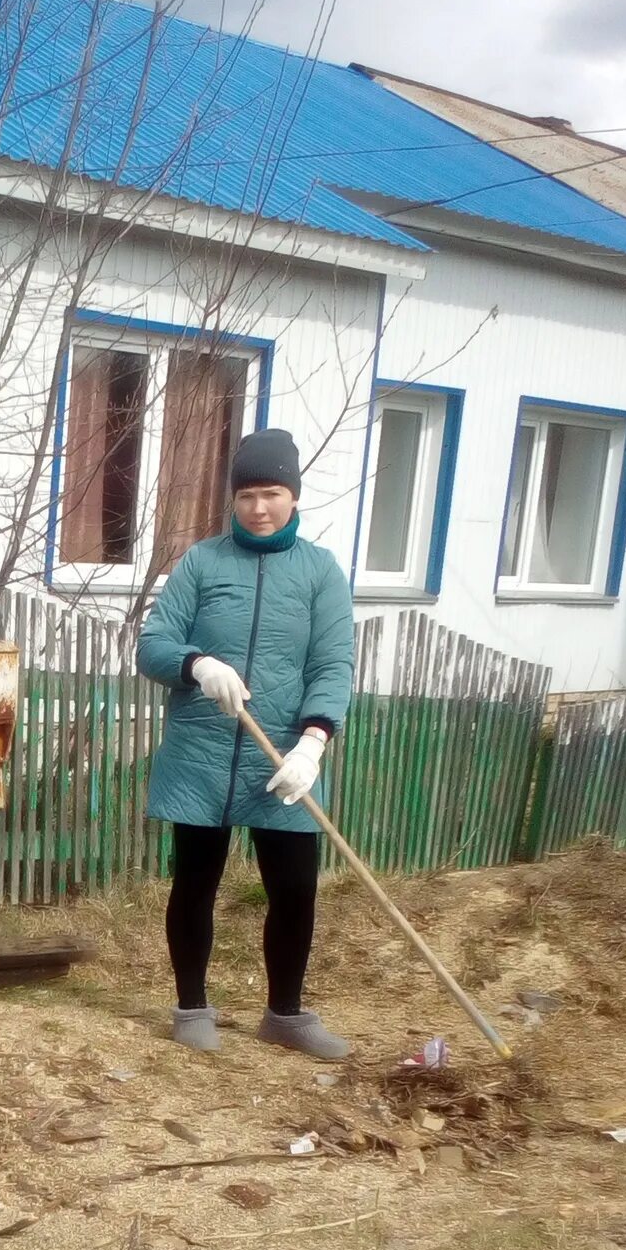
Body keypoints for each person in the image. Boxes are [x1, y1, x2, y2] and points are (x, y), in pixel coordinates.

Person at [136, 427, 355, 1058]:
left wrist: (314, 742)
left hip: (282, 754)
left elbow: (334, 663)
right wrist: (198, 664)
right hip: (201, 753)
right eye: (247, 495)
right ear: (233, 499)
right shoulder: (203, 562)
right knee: (195, 883)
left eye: (272, 493)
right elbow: (153, 643)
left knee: (295, 889)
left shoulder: (319, 571)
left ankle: (285, 1014)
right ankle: (191, 1005)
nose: (259, 508)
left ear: (294, 496)